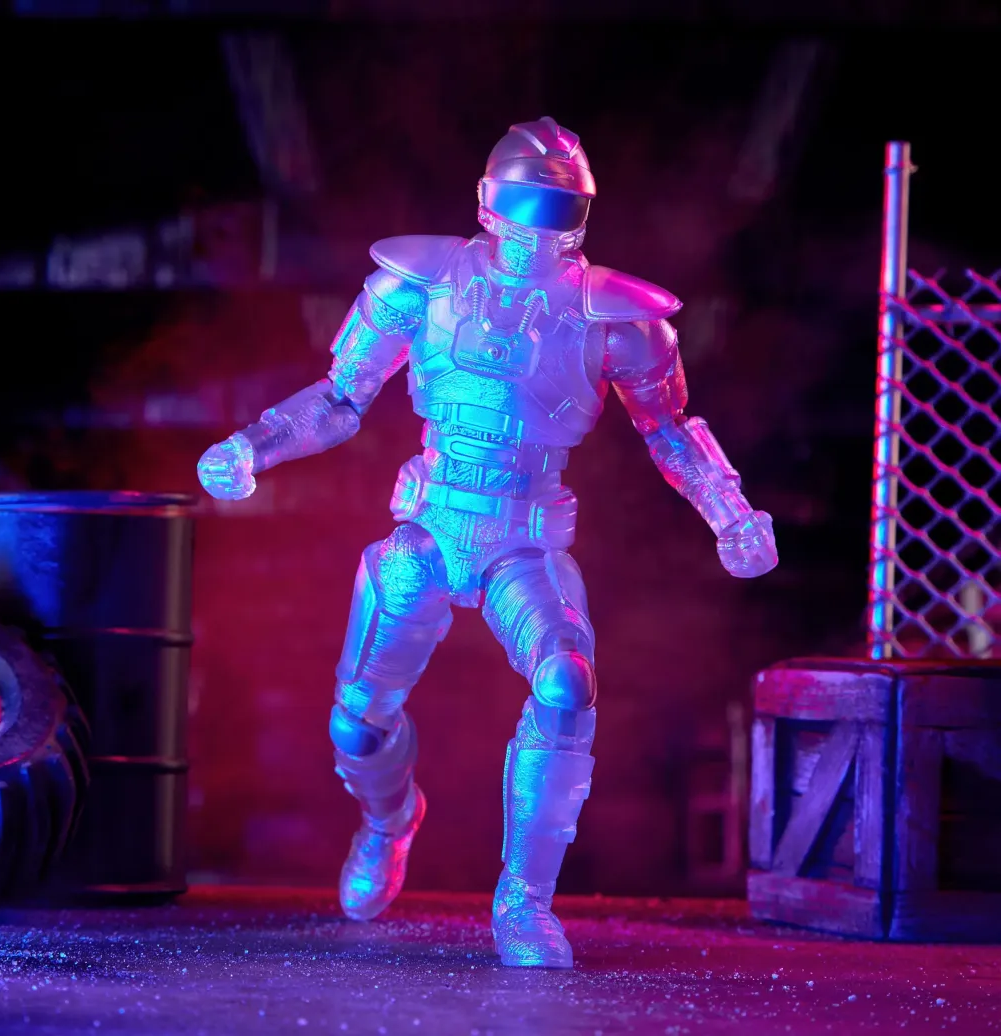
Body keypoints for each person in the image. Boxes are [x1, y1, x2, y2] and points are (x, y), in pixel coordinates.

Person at [197, 116, 778, 968]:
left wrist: (731, 512)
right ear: (486, 200)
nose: (536, 225)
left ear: (580, 214)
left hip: (524, 541)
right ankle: (388, 822)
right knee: (357, 722)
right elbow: (341, 396)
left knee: (566, 681)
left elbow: (670, 429)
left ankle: (523, 904)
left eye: (557, 206)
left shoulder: (618, 319)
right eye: (524, 201)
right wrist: (252, 446)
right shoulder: (417, 285)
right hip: (430, 530)